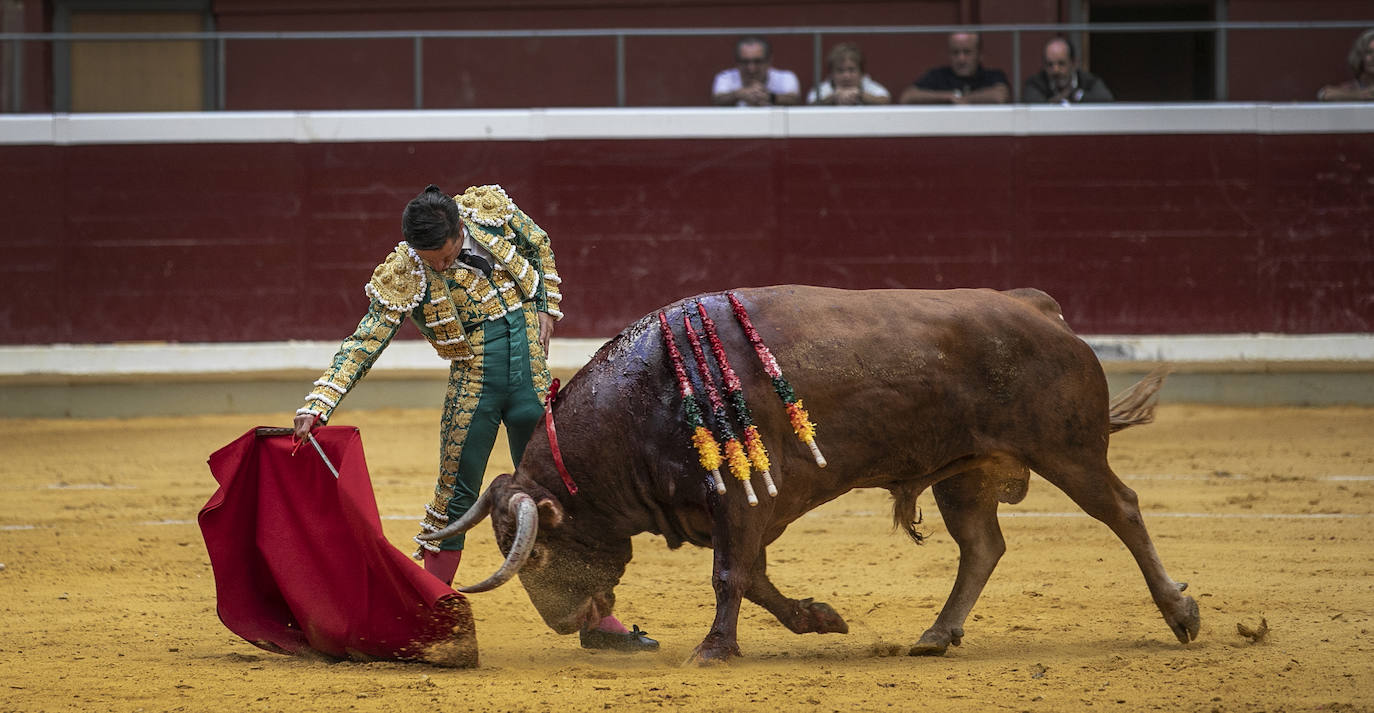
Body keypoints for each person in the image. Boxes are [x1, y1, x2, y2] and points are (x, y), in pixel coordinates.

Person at [292, 184, 658, 652]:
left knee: (560, 499)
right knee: (453, 502)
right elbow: (365, 340)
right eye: (430, 261)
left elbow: (540, 244)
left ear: (460, 230)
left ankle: (598, 621)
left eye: (444, 257)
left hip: (531, 384)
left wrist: (547, 305)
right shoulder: (406, 272)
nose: (439, 267)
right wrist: (318, 403)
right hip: (474, 392)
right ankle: (432, 622)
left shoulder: (489, 213)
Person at [899, 31, 1010, 105]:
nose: (961, 59)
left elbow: (1000, 96)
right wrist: (947, 97)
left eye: (967, 52)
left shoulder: (993, 75)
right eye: (955, 53)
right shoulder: (937, 76)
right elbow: (907, 97)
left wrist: (965, 98)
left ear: (980, 54)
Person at [712, 35, 801, 106]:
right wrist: (739, 94)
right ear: (737, 62)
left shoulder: (785, 77)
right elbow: (717, 100)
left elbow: (794, 99)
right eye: (745, 62)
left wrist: (770, 97)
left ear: (769, 61)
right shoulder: (725, 78)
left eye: (758, 62)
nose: (751, 68)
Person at [1022, 36, 1114, 103]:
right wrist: (1058, 100)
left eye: (1061, 63)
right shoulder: (1036, 82)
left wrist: (1076, 95)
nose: (1055, 70)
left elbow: (1106, 99)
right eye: (1050, 64)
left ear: (1073, 63)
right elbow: (1033, 103)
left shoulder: (1088, 80)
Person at [806, 42, 891, 105]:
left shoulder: (867, 84)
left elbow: (886, 100)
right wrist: (833, 97)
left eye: (851, 70)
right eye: (840, 71)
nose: (846, 76)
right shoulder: (823, 89)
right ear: (831, 74)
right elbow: (811, 103)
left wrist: (860, 95)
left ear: (861, 72)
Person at [1317, 28, 1374, 101]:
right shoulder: (1352, 88)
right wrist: (1361, 95)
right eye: (1369, 52)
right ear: (1360, 56)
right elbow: (1324, 94)